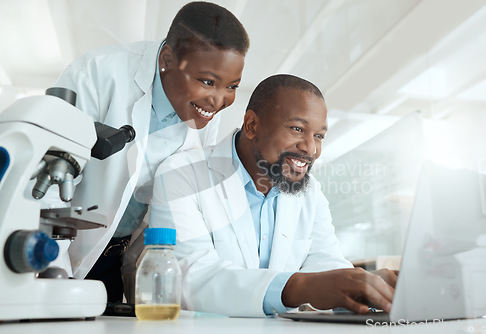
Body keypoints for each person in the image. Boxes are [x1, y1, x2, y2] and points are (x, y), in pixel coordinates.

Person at [149, 74, 397, 317]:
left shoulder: (310, 193)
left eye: (319, 136)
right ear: (252, 125)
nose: (310, 148)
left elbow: (325, 263)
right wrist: (299, 287)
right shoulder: (181, 175)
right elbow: (190, 278)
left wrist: (366, 287)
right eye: (297, 128)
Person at [49, 1, 249, 303]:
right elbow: (51, 184)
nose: (219, 100)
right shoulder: (97, 75)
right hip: (60, 252)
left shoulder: (204, 107)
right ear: (168, 58)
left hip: (116, 261)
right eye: (207, 82)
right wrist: (54, 271)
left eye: (232, 86)